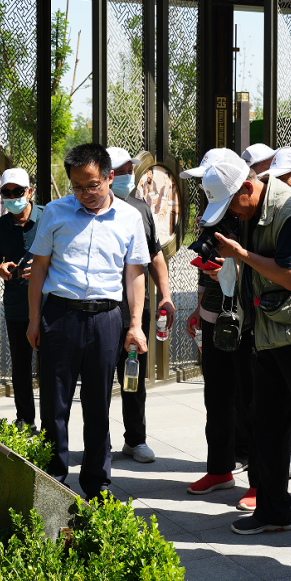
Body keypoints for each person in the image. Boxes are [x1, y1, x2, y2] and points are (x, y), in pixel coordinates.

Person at [201, 155, 291, 563]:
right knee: (265, 425)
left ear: (248, 188)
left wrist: (241, 254)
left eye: (232, 205)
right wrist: (227, 264)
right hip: (267, 330)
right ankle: (272, 511)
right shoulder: (249, 208)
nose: (233, 214)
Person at [26, 143, 150, 500]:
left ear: (109, 178)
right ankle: (53, 483)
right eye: (78, 187)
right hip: (60, 317)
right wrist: (34, 320)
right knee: (54, 405)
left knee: (98, 405)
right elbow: (39, 269)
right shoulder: (56, 212)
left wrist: (135, 324)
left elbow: (135, 275)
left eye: (92, 185)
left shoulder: (129, 217)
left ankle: (97, 485)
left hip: (106, 320)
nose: (85, 194)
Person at [180, 147, 258, 500]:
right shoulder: (212, 214)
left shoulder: (250, 212)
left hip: (248, 320)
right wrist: (199, 309)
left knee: (251, 401)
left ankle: (259, 481)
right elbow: (204, 264)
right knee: (216, 397)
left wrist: (234, 267)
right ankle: (219, 470)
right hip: (215, 317)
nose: (203, 188)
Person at [107, 147, 176, 464]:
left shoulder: (140, 209)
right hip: (101, 312)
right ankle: (100, 442)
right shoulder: (91, 210)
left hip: (134, 312)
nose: (128, 176)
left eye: (129, 170)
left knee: (133, 378)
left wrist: (165, 295)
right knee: (99, 381)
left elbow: (155, 255)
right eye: (122, 171)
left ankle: (135, 440)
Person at [0, 167, 42, 429]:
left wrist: (43, 269)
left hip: (49, 305)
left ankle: (51, 424)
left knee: (50, 366)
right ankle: (25, 420)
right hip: (17, 305)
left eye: (17, 192)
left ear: (29, 192)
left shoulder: (47, 218)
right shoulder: (1, 225)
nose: (12, 197)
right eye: (6, 193)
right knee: (20, 366)